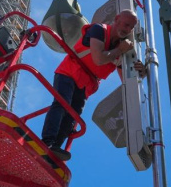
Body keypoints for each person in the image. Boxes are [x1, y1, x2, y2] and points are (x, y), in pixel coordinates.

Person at [42, 9, 146, 161]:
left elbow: (127, 80)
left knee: (73, 116)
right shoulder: (99, 30)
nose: (127, 29)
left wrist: (140, 73)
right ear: (116, 19)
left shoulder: (121, 50)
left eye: (130, 27)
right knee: (62, 104)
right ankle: (47, 143)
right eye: (125, 24)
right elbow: (98, 59)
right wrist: (120, 50)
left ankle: (55, 149)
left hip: (85, 84)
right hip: (70, 72)